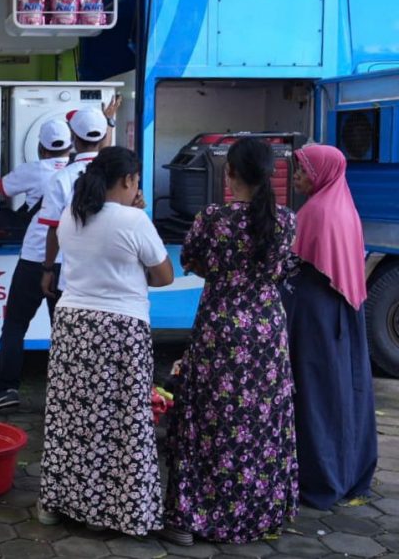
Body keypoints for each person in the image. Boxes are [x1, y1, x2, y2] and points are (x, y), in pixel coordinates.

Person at [162, 138, 299, 546]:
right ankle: (257, 514)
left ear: (230, 172)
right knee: (260, 421)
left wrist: (225, 274)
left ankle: (190, 517)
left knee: (208, 418)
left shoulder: (212, 218)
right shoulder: (285, 220)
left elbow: (191, 260)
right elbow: (280, 269)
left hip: (219, 329)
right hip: (266, 333)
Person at [36, 146, 173, 536]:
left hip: (72, 324)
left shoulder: (72, 214)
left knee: (70, 417)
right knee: (122, 421)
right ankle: (114, 513)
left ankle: (57, 503)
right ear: (128, 180)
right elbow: (164, 276)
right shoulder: (134, 220)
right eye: (136, 181)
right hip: (120, 328)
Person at [282, 144, 377, 510]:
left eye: (303, 170)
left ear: (321, 173)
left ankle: (320, 476)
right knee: (342, 391)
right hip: (343, 314)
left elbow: (289, 262)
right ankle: (347, 471)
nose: (297, 177)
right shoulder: (344, 207)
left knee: (314, 393)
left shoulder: (315, 212)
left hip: (316, 317)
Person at [0, 119, 72, 411]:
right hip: (68, 261)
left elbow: (0, 187)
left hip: (33, 259)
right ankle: (65, 397)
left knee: (15, 325)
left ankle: (7, 390)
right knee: (64, 331)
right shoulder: (81, 171)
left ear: (41, 147)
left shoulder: (33, 170)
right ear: (71, 145)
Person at [38, 105, 117, 297]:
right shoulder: (117, 176)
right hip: (111, 275)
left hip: (75, 278)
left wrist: (48, 269)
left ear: (72, 137)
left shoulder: (61, 178)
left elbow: (54, 229)